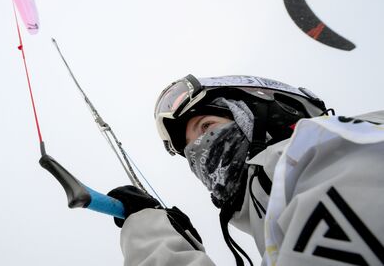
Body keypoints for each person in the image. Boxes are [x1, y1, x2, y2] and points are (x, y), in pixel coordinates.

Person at [108, 74, 384, 266]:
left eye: (206, 127)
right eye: (191, 152)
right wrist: (157, 235)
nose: (201, 151)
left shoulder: (333, 150)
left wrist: (152, 237)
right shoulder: (272, 218)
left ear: (253, 112)